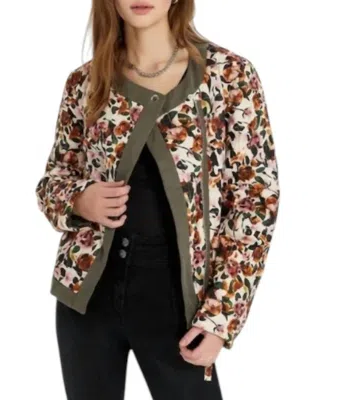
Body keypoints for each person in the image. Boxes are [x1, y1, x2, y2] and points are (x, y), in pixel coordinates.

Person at [35, 0, 280, 399]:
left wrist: (220, 317)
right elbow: (53, 182)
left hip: (181, 306)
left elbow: (257, 201)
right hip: (87, 299)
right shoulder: (86, 82)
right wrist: (80, 201)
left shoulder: (229, 76)